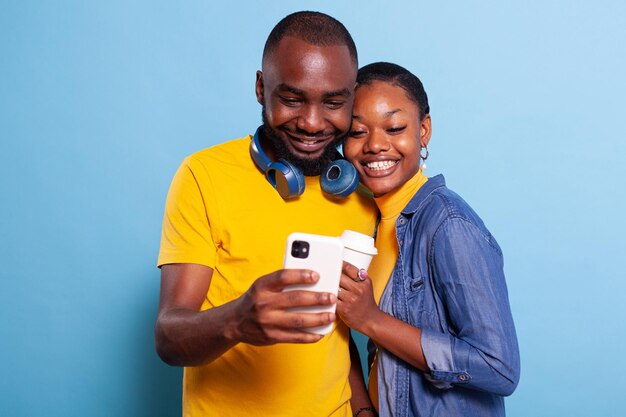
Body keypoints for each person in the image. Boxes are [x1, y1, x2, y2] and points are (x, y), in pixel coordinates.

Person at [154, 12, 379, 417]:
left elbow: (338, 338)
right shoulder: (203, 176)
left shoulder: (365, 199)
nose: (312, 123)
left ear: (353, 95)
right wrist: (237, 320)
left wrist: (362, 409)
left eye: (333, 102)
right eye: (292, 99)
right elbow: (169, 337)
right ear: (261, 88)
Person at [337, 62, 521, 416]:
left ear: (424, 131)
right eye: (357, 132)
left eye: (394, 127)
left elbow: (499, 367)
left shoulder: (449, 224)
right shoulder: (367, 222)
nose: (375, 145)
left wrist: (372, 320)